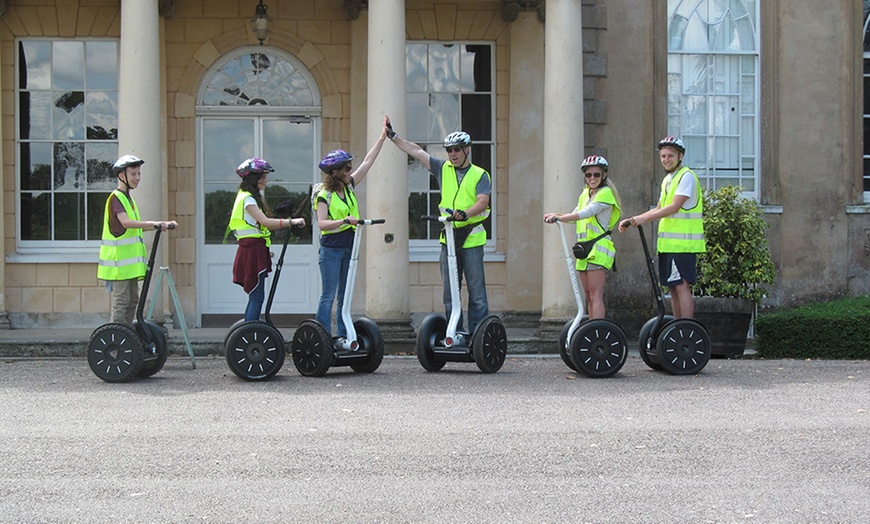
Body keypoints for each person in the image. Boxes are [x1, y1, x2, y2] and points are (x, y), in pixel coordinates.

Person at [386, 118, 491, 334]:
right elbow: (417, 152)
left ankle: (478, 336)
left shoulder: (479, 174)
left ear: (466, 150)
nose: (452, 154)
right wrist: (393, 137)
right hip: (449, 239)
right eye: (450, 150)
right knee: (450, 292)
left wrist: (465, 214)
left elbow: (483, 201)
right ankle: (455, 332)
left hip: (471, 239)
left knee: (476, 293)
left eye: (457, 150)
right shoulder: (443, 168)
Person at [314, 118, 389, 338]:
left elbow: (368, 162)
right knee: (328, 295)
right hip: (331, 249)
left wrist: (383, 137)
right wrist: (344, 221)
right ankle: (323, 337)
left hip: (349, 248)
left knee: (345, 295)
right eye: (347, 168)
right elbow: (322, 223)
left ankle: (346, 335)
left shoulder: (349, 187)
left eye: (350, 168)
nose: (350, 171)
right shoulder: (323, 194)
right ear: (335, 171)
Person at [618, 136, 706, 318]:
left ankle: (686, 329)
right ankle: (677, 327)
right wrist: (634, 219)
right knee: (673, 288)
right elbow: (659, 208)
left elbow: (673, 207)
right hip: (667, 246)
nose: (666, 160)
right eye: (663, 156)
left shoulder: (686, 176)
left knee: (681, 286)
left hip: (683, 246)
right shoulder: (668, 180)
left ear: (680, 156)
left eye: (670, 156)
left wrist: (641, 219)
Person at [98, 154, 177, 325]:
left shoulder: (129, 200)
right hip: (118, 264)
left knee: (132, 301)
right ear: (121, 175)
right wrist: (155, 223)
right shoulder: (116, 198)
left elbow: (137, 227)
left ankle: (127, 339)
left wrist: (161, 225)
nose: (137, 178)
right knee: (121, 302)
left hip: (129, 266)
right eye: (133, 174)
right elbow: (126, 223)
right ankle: (117, 341)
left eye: (139, 174)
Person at [543, 155, 621, 319]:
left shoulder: (606, 193)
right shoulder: (585, 194)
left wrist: (561, 218)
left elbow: (586, 213)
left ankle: (597, 330)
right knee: (588, 296)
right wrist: (555, 215)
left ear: (604, 175)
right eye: (588, 175)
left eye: (596, 175)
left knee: (595, 295)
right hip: (584, 251)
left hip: (598, 250)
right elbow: (573, 215)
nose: (592, 178)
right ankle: (592, 328)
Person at [231, 157, 305, 322]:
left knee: (256, 297)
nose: (266, 180)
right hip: (251, 250)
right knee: (256, 297)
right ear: (254, 179)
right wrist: (290, 222)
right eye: (263, 177)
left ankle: (250, 330)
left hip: (253, 249)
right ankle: (250, 333)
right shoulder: (247, 200)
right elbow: (265, 222)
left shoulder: (246, 197)